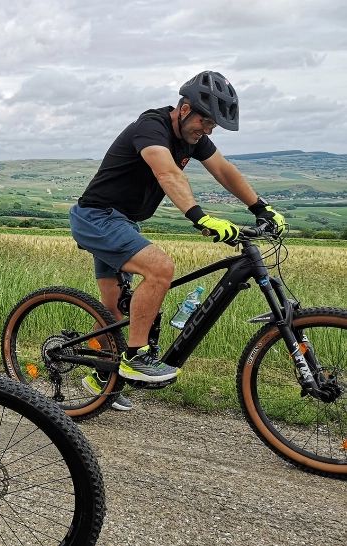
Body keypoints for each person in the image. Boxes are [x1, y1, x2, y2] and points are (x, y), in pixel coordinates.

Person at [69, 70, 287, 411]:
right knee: (160, 269)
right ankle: (134, 357)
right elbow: (167, 172)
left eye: (213, 126)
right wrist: (199, 216)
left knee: (114, 311)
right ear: (184, 108)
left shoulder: (194, 138)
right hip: (96, 216)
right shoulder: (151, 127)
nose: (208, 130)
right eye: (205, 121)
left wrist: (260, 207)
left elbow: (225, 170)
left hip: (123, 222)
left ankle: (101, 379)